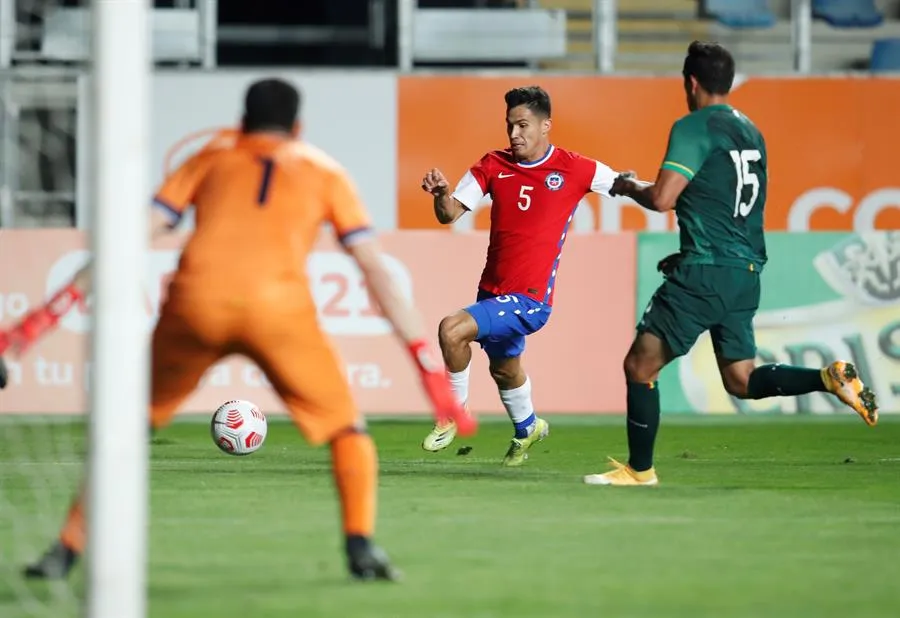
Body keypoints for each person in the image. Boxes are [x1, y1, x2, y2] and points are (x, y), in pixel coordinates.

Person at [18, 77, 472, 581]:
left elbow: (132, 236)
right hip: (279, 314)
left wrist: (45, 315)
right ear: (297, 127)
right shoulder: (325, 172)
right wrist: (423, 362)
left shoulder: (210, 157)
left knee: (125, 431)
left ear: (241, 121)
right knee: (348, 430)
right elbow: (375, 270)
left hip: (196, 305)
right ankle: (361, 548)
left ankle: (64, 551)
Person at [583, 41, 879, 488]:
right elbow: (730, 203)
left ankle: (640, 471)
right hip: (745, 273)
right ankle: (826, 377)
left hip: (706, 270)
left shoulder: (692, 127)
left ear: (691, 82)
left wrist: (626, 186)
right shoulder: (750, 131)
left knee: (640, 367)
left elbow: (663, 198)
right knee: (741, 379)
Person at [420, 85, 623, 465]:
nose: (515, 135)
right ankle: (527, 427)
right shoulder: (493, 165)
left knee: (452, 329)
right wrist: (440, 194)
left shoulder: (576, 168)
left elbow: (628, 185)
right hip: (492, 291)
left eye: (523, 125)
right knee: (504, 368)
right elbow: (449, 214)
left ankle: (453, 412)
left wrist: (672, 192)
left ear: (546, 126)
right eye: (510, 126)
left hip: (530, 299)